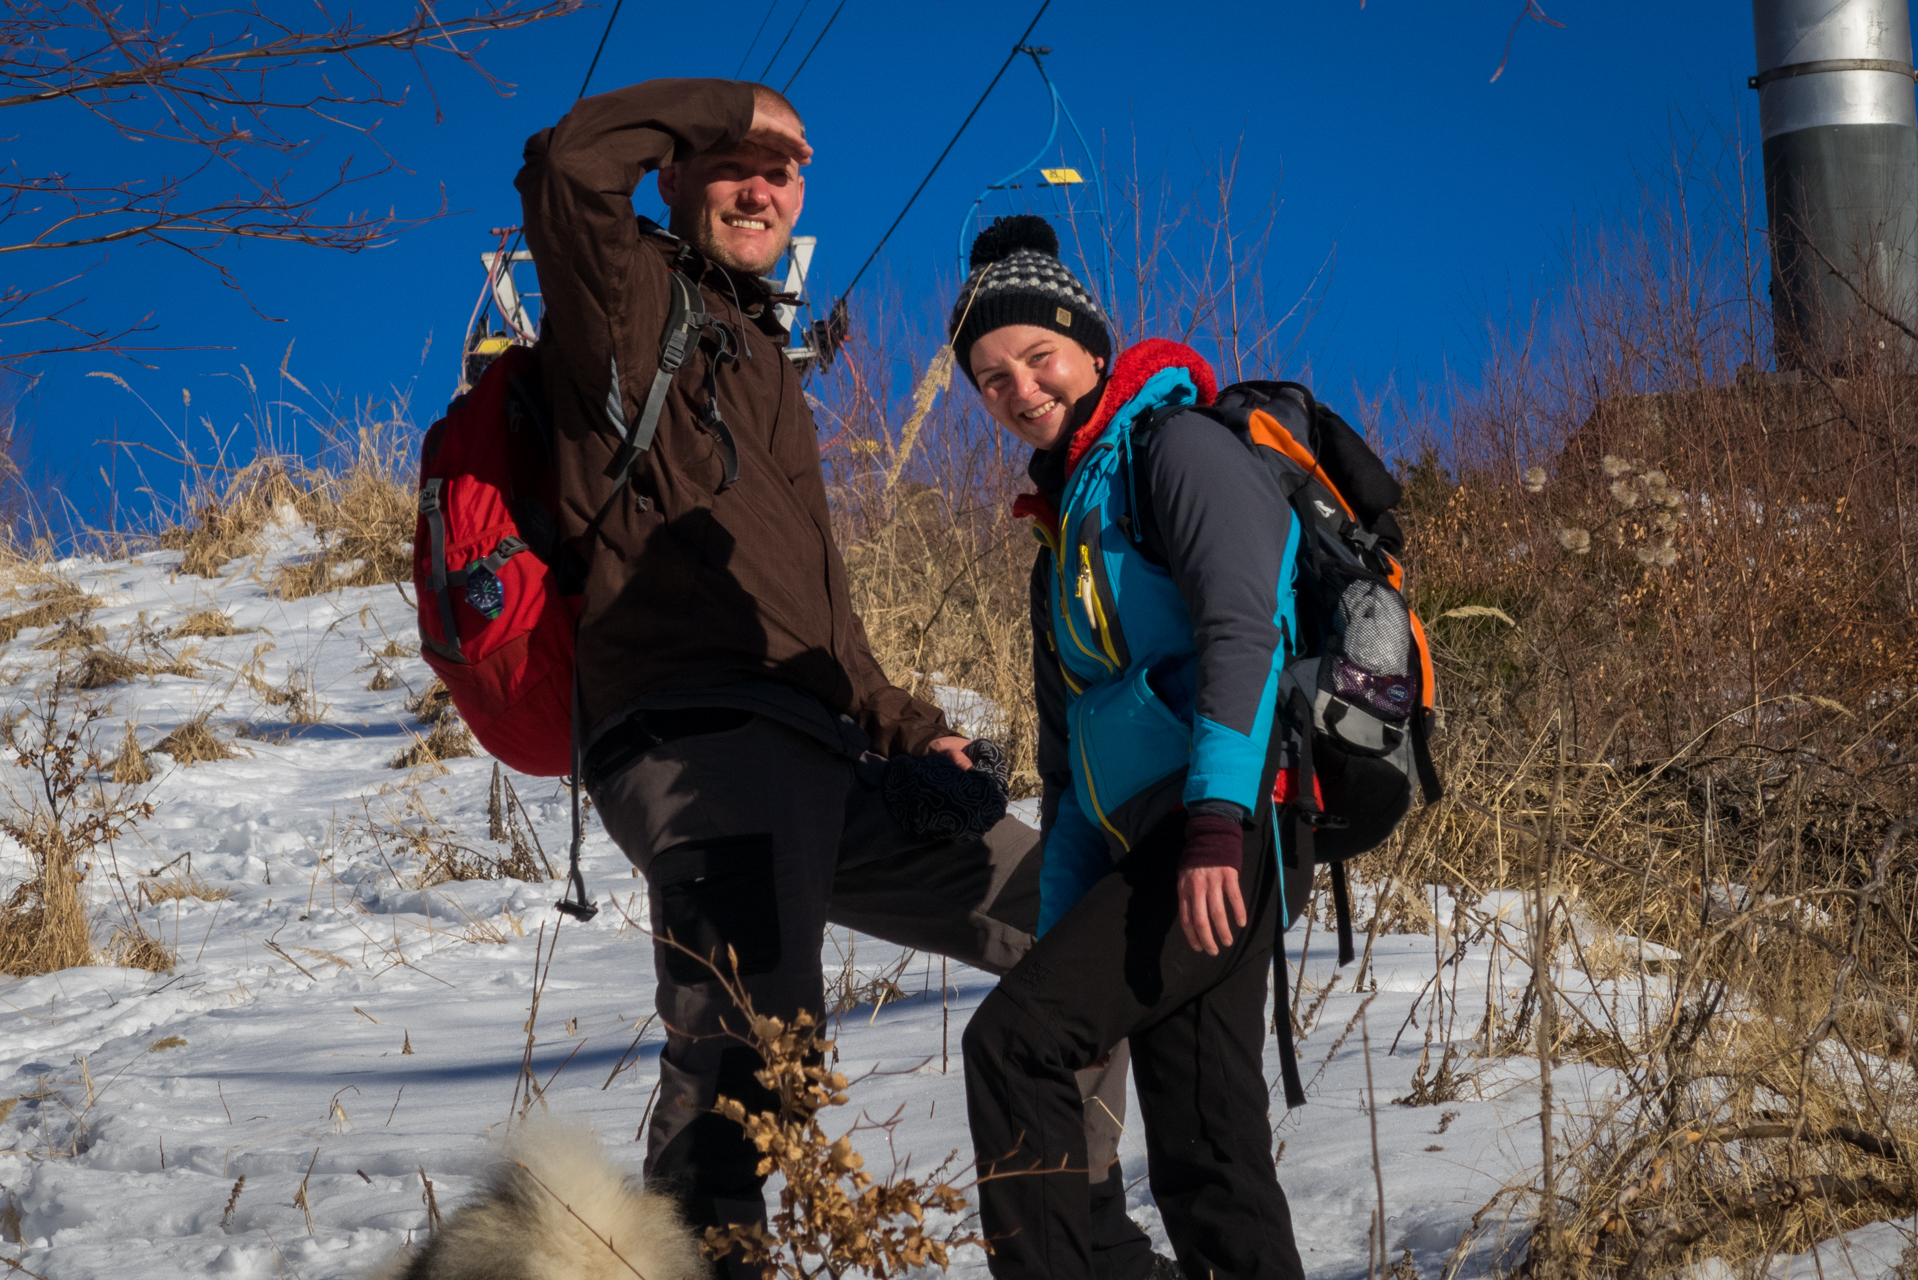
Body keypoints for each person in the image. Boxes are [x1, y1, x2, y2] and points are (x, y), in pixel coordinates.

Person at [512, 84, 1160, 1279]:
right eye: (732, 164)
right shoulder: (624, 295)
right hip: (699, 738)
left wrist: (906, 727)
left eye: (784, 170)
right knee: (753, 1050)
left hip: (821, 747)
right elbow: (563, 169)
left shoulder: (756, 346)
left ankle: (1083, 1250)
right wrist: (727, 100)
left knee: (1069, 932)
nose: (761, 188)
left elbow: (811, 608)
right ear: (676, 177)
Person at [951, 215, 1315, 1280]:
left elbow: (1245, 625)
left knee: (1009, 1045)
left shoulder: (1179, 447)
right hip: (1149, 835)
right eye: (988, 377)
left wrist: (1214, 819)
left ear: (1092, 350)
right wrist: (1063, 940)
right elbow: (1066, 777)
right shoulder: (1059, 535)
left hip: (1225, 818)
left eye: (1037, 356)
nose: (1016, 388)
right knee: (1209, 1153)